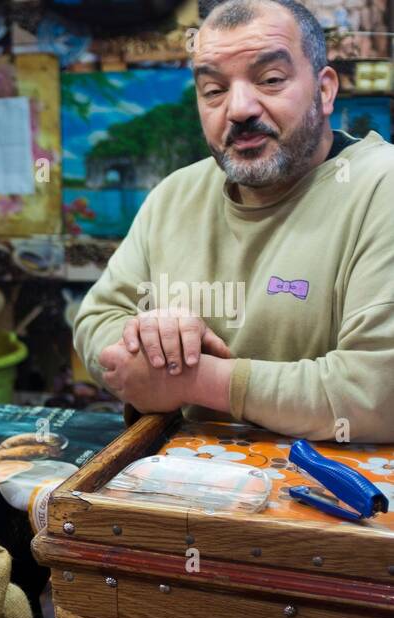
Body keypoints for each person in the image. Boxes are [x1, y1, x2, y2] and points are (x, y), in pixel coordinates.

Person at [73, 0, 394, 442]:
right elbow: (96, 320)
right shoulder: (175, 194)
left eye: (271, 80)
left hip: (342, 501)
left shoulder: (380, 187)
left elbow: (375, 392)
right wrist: (147, 336)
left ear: (324, 90)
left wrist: (193, 378)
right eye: (214, 90)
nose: (240, 108)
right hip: (191, 487)